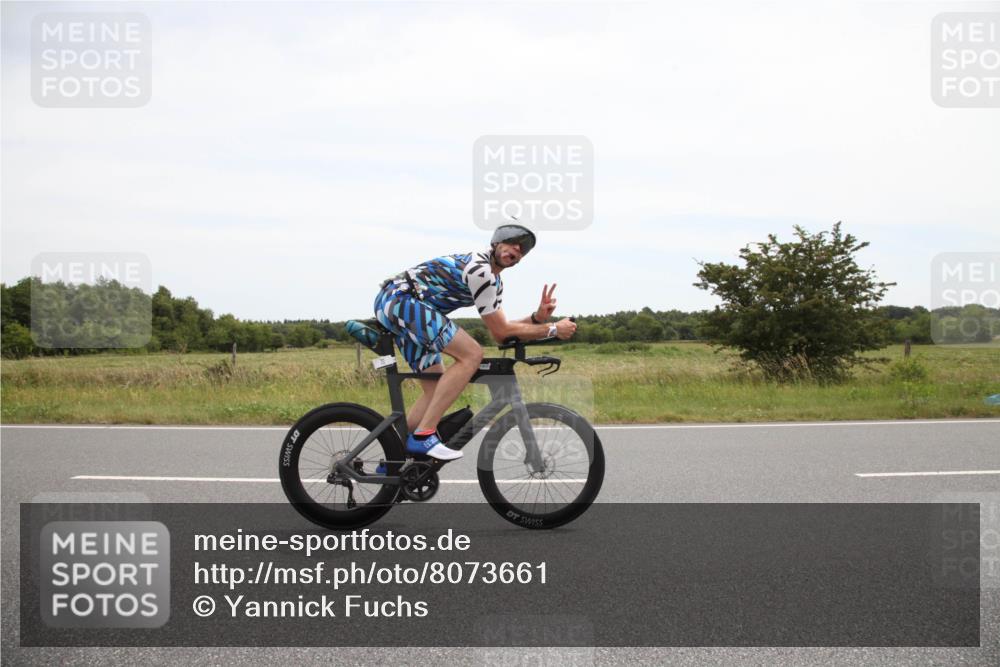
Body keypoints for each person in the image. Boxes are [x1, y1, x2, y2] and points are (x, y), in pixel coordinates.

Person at [374, 224, 577, 461]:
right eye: (512, 243)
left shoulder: (495, 283)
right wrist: (552, 328)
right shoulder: (481, 270)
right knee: (471, 354)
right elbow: (502, 330)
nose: (517, 250)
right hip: (401, 300)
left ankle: (393, 462)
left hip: (406, 308)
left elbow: (499, 333)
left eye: (522, 250)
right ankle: (423, 437)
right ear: (496, 243)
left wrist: (536, 319)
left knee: (437, 390)